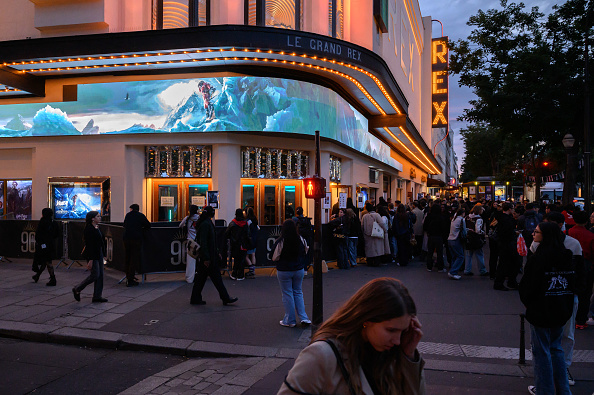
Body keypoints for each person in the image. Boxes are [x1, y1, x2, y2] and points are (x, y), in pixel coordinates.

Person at [279, 277, 425, 394]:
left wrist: (409, 357)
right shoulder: (321, 356)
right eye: (391, 330)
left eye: (403, 331)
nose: (398, 341)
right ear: (366, 320)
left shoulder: (392, 354)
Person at [520, 222, 575, 395]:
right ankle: (563, 389)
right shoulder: (567, 255)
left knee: (541, 352)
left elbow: (528, 286)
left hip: (540, 310)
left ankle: (545, 390)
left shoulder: (538, 258)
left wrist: (529, 303)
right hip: (561, 308)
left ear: (545, 236)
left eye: (536, 232)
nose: (533, 235)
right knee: (556, 349)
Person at [529, 211, 583, 387]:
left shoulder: (572, 245)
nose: (537, 232)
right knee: (553, 341)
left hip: (559, 296)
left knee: (560, 337)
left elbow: (580, 272)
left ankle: (551, 378)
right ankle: (555, 378)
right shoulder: (537, 245)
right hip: (556, 297)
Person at [190, 206, 238, 306]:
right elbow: (205, 242)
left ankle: (196, 297)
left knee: (201, 278)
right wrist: (207, 257)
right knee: (215, 279)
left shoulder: (205, 223)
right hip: (209, 257)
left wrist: (214, 253)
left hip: (208, 256)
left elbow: (207, 241)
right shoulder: (206, 224)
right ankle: (225, 297)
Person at [272, 220, 311, 327]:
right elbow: (306, 250)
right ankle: (304, 317)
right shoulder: (300, 239)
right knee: (298, 292)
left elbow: (274, 256)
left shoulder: (281, 241)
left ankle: (290, 320)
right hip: (299, 269)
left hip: (284, 269)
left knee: (287, 293)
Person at [72, 211, 107, 303]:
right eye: (98, 216)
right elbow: (90, 245)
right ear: (92, 218)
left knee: (100, 275)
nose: (100, 218)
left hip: (98, 253)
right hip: (93, 254)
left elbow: (101, 242)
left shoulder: (96, 227)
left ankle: (97, 296)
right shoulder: (89, 229)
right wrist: (90, 260)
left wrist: (104, 254)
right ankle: (77, 288)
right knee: (95, 275)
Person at [568, 211, 594, 330]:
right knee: (585, 293)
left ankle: (568, 318)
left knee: (568, 291)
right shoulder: (590, 235)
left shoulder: (568, 233)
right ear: (587, 220)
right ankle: (581, 320)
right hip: (586, 265)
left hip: (569, 264)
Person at [123, 203, 151, 287]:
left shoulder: (128, 215)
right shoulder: (140, 215)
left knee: (128, 257)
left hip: (126, 238)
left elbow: (124, 225)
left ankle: (128, 276)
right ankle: (130, 278)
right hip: (136, 239)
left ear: (131, 209)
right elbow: (148, 225)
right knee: (134, 258)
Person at [32, 208, 60, 286]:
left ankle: (53, 278)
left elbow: (38, 234)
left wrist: (40, 242)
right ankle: (37, 276)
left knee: (47, 261)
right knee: (45, 261)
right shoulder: (53, 222)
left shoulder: (43, 222)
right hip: (51, 244)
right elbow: (57, 234)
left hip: (43, 244)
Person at [493, 203, 519, 291]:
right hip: (507, 243)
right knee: (509, 263)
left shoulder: (499, 217)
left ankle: (502, 282)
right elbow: (507, 231)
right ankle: (506, 282)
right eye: (512, 208)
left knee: (504, 263)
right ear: (509, 209)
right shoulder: (508, 220)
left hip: (502, 243)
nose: (514, 210)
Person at [224, 209, 251, 280]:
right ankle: (241, 275)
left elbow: (227, 233)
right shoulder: (245, 223)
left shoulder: (233, 223)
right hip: (243, 244)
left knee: (236, 260)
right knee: (242, 260)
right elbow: (248, 235)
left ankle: (234, 273)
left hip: (235, 244)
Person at [464, 204, 488, 276]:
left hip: (468, 237)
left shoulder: (467, 217)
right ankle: (482, 270)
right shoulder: (479, 219)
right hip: (476, 238)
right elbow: (478, 230)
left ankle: (467, 270)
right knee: (479, 254)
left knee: (468, 255)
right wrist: (483, 233)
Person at [179, 205, 199, 283]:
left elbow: (180, 225)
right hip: (198, 241)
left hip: (191, 241)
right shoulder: (199, 218)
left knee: (191, 261)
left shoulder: (187, 218)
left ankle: (190, 278)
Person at [423, 204, 445, 272]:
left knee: (430, 252)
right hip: (439, 236)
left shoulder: (429, 216)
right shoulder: (441, 217)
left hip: (431, 235)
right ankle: (440, 267)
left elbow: (425, 226)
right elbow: (444, 228)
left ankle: (429, 266)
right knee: (439, 252)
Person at [447, 208, 466, 280]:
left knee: (454, 256)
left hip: (450, 238)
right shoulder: (461, 220)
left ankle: (453, 270)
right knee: (460, 256)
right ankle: (453, 272)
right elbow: (463, 231)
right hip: (456, 239)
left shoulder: (453, 219)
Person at [244, 207, 259, 278]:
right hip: (255, 239)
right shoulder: (255, 220)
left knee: (246, 255)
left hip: (249, 240)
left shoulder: (248, 221)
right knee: (253, 254)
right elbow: (258, 228)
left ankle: (251, 269)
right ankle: (253, 270)